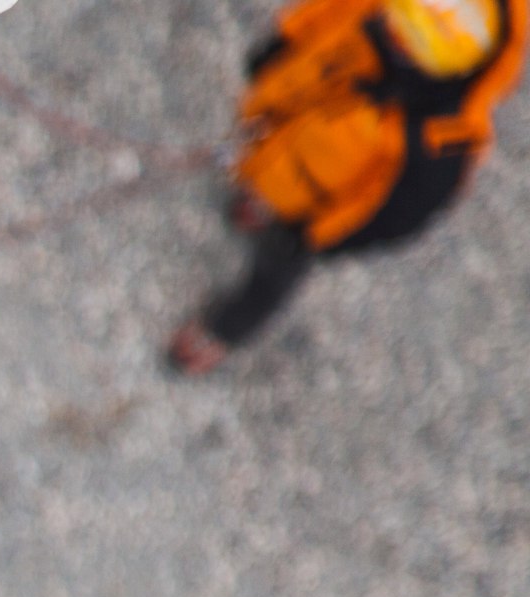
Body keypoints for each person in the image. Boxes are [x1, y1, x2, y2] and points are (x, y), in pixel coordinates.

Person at [169, 0, 524, 373]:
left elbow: (394, 218)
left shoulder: (440, 146)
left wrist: (315, 237)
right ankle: (255, 198)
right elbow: (329, 9)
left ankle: (224, 331)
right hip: (282, 124)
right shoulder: (374, 13)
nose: (393, 41)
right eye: (394, 25)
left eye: (412, 46)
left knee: (274, 271)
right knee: (254, 161)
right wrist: (283, 41)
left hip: (309, 214)